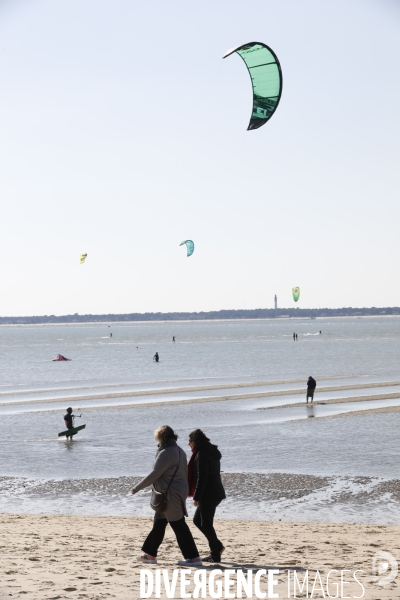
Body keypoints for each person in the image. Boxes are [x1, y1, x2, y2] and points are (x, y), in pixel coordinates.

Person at [131, 425, 202, 567]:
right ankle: (149, 555)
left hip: (170, 495)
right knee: (159, 523)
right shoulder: (180, 451)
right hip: (176, 492)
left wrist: (136, 488)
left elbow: (154, 474)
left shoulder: (167, 453)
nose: (157, 441)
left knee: (178, 525)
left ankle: (193, 558)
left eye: (157, 438)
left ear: (162, 437)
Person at [188, 429, 226, 563]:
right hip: (214, 492)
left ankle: (215, 555)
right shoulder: (210, 451)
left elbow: (202, 478)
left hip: (209, 494)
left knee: (206, 524)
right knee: (198, 521)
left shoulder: (202, 454)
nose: (189, 444)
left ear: (196, 441)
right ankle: (218, 546)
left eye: (190, 441)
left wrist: (197, 497)